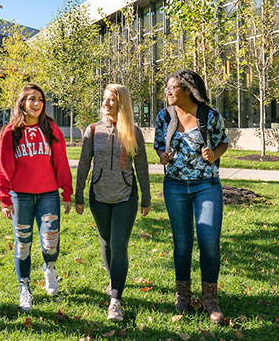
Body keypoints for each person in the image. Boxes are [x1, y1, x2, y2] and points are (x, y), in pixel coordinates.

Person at [153, 69, 229, 324]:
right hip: (174, 186)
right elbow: (158, 145)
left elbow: (223, 142)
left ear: (188, 89)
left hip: (206, 185)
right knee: (182, 243)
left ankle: (210, 299)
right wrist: (162, 156)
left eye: (173, 87)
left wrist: (215, 155)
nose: (168, 91)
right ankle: (183, 296)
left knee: (208, 240)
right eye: (167, 88)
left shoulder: (210, 115)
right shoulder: (164, 116)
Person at [0, 84, 73, 312]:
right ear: (22, 103)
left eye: (40, 99)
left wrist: (67, 190)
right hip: (20, 196)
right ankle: (24, 288)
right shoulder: (10, 132)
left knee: (51, 239)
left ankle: (50, 268)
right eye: (31, 99)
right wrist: (4, 197)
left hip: (48, 194)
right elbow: (1, 166)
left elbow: (61, 161)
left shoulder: (51, 129)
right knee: (23, 244)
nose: (37, 104)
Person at [74, 84, 151, 321]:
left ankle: (115, 301)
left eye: (112, 100)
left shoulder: (134, 132)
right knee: (106, 243)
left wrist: (146, 197)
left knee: (119, 245)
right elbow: (84, 163)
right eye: (105, 99)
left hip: (126, 197)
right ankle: (113, 280)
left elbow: (142, 167)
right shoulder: (93, 129)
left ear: (122, 104)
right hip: (99, 196)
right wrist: (79, 194)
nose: (106, 103)